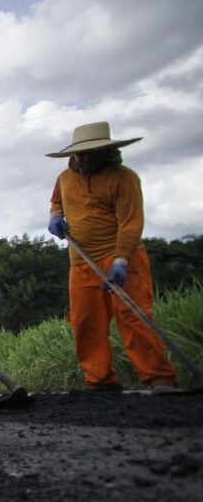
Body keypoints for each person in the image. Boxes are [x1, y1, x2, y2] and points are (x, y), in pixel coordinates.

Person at [46, 121, 179, 394]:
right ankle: (99, 380)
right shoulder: (65, 178)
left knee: (134, 317)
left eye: (90, 153)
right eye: (79, 153)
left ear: (105, 152)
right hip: (81, 262)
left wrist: (121, 260)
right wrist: (55, 215)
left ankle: (160, 378)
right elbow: (57, 200)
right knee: (86, 323)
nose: (83, 158)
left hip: (122, 258)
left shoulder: (124, 178)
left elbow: (130, 223)